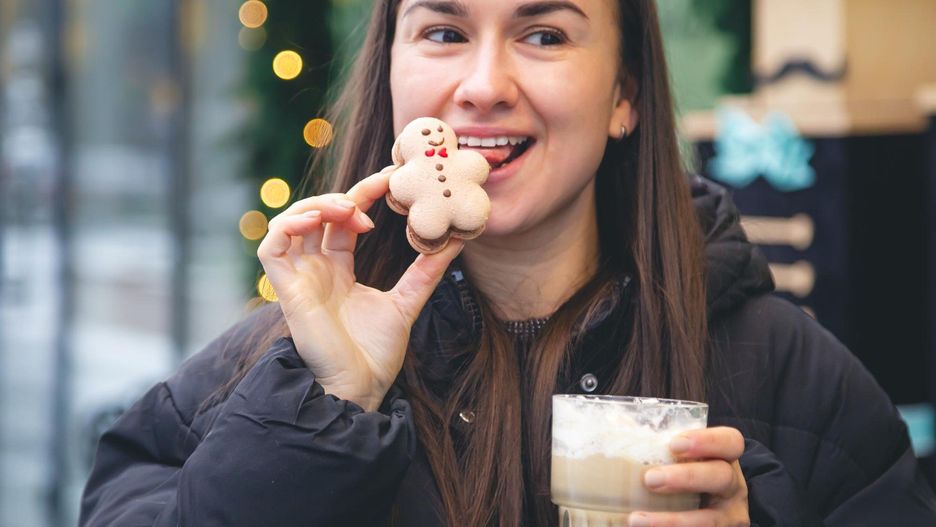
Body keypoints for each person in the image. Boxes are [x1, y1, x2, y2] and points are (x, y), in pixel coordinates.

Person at [79, 1, 936, 526]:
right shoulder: (256, 376)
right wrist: (323, 404)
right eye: (445, 30)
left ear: (625, 95)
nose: (484, 84)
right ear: (393, 78)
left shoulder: (801, 381)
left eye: (544, 32)